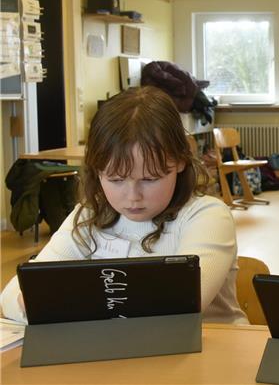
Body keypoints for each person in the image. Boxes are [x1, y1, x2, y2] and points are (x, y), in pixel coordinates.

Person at [0, 86, 248, 325]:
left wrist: (62, 302)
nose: (133, 197)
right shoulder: (89, 216)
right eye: (116, 180)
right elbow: (13, 296)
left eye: (150, 179)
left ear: (181, 162)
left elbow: (181, 305)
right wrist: (31, 301)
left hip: (211, 356)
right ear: (97, 172)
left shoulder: (207, 216)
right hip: (122, 355)